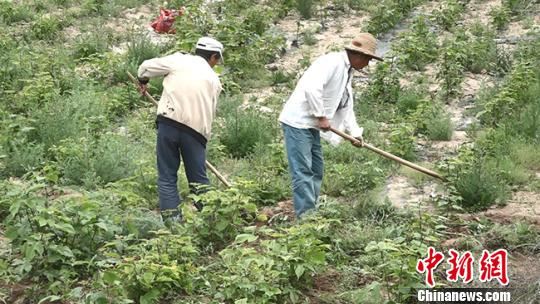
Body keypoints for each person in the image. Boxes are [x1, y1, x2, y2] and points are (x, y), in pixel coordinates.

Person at [279, 33, 383, 218]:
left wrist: (355, 133)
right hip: (298, 122)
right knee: (303, 170)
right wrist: (320, 115)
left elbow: (346, 104)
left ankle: (312, 209)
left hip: (312, 126)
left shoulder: (347, 71)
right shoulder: (331, 62)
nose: (368, 64)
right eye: (368, 60)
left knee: (316, 168)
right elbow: (311, 87)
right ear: (360, 56)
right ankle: (306, 217)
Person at [137, 37, 223, 223]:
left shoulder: (178, 60)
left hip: (169, 123)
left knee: (167, 177)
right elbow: (211, 112)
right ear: (213, 57)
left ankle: (174, 224)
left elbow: (144, 67)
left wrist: (143, 81)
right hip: (196, 133)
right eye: (217, 60)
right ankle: (213, 221)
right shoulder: (214, 80)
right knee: (199, 181)